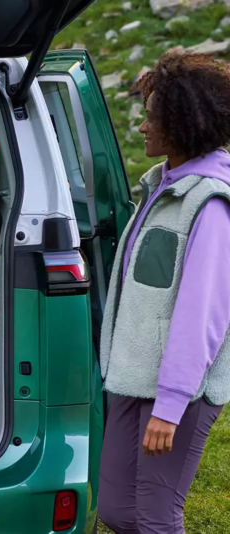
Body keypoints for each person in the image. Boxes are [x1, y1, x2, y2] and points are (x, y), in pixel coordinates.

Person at [98, 51, 230, 533]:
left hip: (179, 391)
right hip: (134, 377)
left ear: (183, 121)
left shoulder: (210, 204)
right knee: (116, 510)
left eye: (152, 116)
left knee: (155, 516)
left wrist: (170, 407)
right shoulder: (163, 187)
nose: (142, 127)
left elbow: (202, 318)